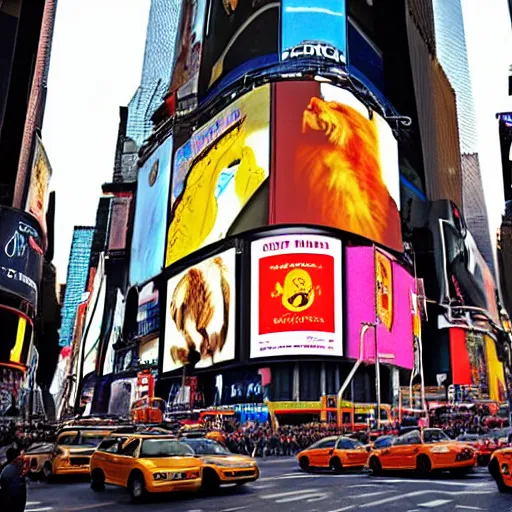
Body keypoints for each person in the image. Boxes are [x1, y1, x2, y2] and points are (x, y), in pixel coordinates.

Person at [0, 447, 26, 512]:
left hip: (10, 503)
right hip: (19, 502)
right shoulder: (19, 469)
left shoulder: (6, 470)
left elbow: (3, 491)